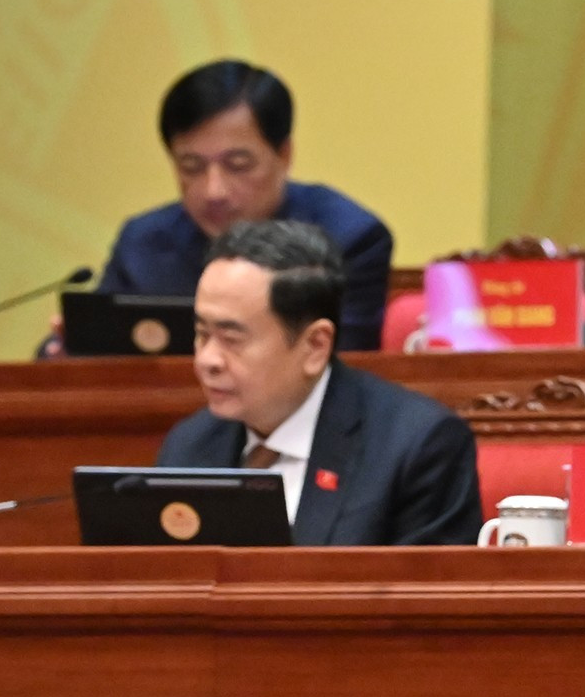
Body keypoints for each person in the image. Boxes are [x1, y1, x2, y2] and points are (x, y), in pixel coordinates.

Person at [158, 220, 480, 545]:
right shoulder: (190, 445)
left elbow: (424, 593)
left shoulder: (418, 447)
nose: (207, 360)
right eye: (201, 334)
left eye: (231, 339)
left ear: (315, 346)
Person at [81, 60, 393, 351]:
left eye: (238, 165)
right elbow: (86, 350)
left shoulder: (350, 239)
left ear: (284, 154)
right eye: (191, 167)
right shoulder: (143, 243)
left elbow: (346, 368)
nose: (213, 190)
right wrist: (65, 347)